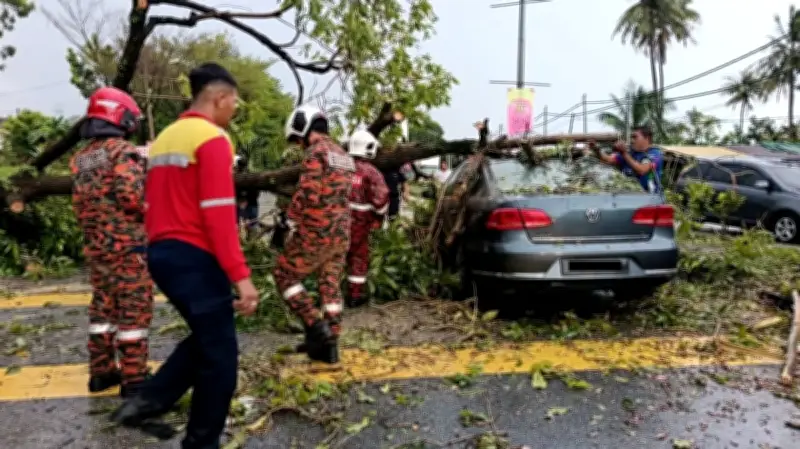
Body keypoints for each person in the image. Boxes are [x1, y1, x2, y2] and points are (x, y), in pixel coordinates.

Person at [111, 63, 259, 449]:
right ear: (219, 98)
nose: (235, 109)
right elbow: (219, 212)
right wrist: (240, 276)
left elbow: (152, 203)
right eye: (234, 102)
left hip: (161, 254)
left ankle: (148, 401)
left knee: (209, 338)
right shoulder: (212, 139)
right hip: (195, 256)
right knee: (221, 357)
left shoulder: (166, 138)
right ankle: (200, 441)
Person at [69, 86, 153, 399]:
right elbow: (132, 198)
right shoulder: (122, 152)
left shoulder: (82, 158)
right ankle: (135, 378)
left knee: (103, 308)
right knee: (134, 309)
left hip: (97, 246)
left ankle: (101, 371)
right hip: (127, 247)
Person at [272, 104, 354, 364]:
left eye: (298, 140)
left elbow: (308, 193)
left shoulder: (316, 153)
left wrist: (287, 222)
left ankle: (316, 326)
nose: (299, 146)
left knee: (284, 275)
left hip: (316, 230)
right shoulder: (343, 155)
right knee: (330, 284)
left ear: (303, 129)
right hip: (341, 232)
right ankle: (331, 343)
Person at [346, 130, 390, 308]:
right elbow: (381, 198)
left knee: (335, 257)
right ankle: (354, 295)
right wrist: (379, 216)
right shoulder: (371, 172)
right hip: (360, 223)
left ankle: (329, 295)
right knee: (358, 257)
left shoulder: (341, 167)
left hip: (337, 221)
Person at [589, 126, 664, 193]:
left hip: (650, 198)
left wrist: (624, 153)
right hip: (628, 196)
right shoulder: (630, 153)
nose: (632, 140)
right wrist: (596, 149)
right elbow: (607, 160)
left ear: (646, 138)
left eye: (635, 137)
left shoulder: (655, 153)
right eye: (632, 137)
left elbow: (642, 170)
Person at [270, 144, 305, 249]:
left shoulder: (291, 152)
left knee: (284, 223)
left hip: (287, 197)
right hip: (290, 198)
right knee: (285, 223)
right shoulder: (301, 153)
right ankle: (278, 246)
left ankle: (276, 246)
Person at [234, 154, 261, 235]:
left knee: (239, 225)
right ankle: (252, 239)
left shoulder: (236, 176)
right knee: (252, 225)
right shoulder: (252, 175)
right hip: (251, 203)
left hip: (243, 204)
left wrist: (243, 199)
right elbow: (257, 192)